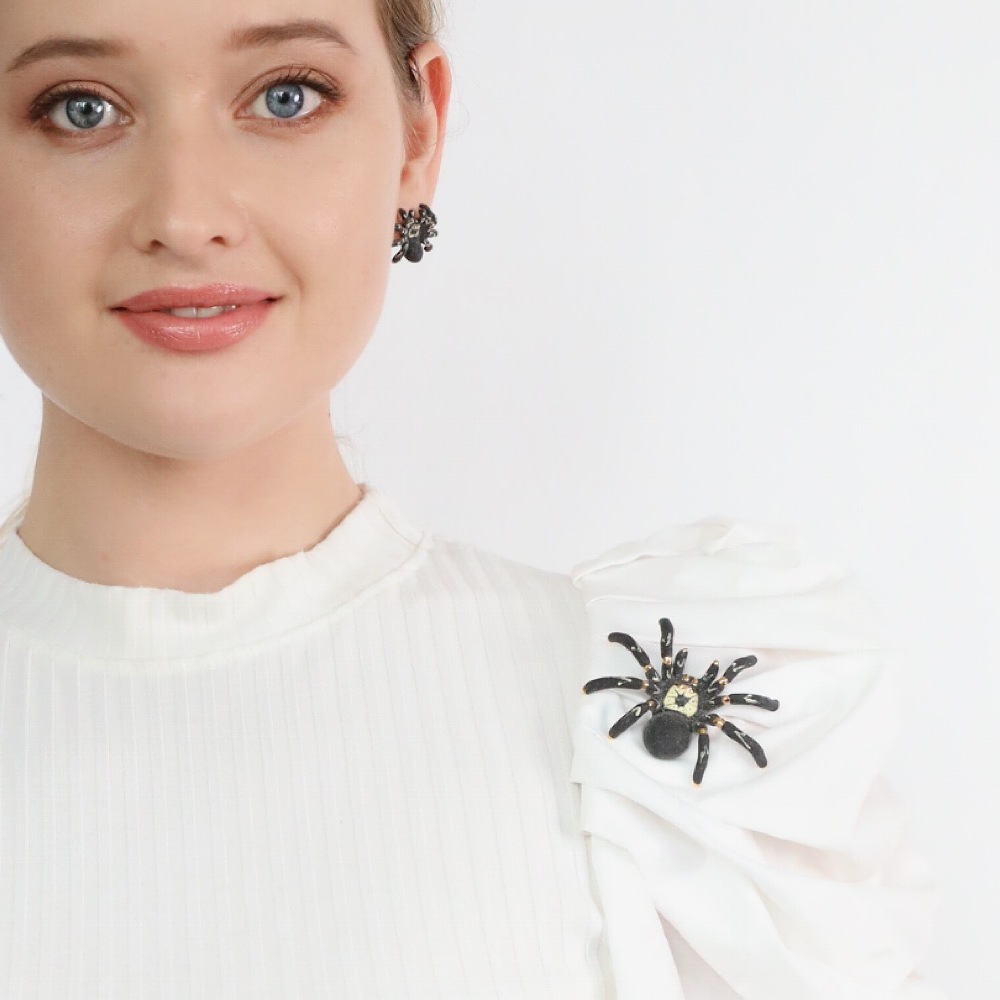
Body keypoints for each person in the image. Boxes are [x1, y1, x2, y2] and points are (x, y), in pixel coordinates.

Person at [0, 0, 942, 997]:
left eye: (286, 97)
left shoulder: (656, 758)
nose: (186, 215)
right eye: (79, 109)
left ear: (420, 132)